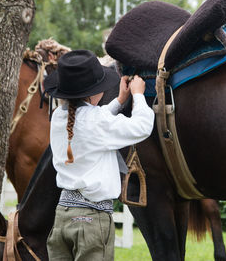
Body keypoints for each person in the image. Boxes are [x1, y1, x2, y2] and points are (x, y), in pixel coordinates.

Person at [45, 49, 154, 261]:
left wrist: (118, 102)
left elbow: (91, 122)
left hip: (62, 216)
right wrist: (138, 95)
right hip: (91, 220)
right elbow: (142, 127)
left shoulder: (59, 117)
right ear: (92, 93)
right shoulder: (96, 122)